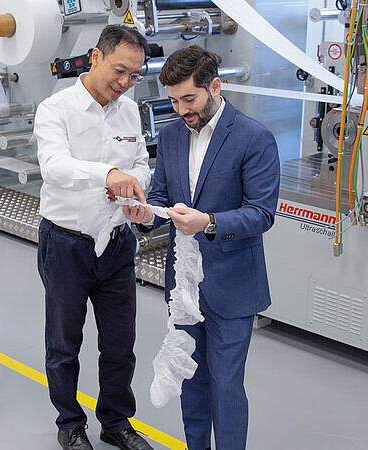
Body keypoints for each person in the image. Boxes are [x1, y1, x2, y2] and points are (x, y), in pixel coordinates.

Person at [124, 45, 280, 450]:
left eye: (189, 99)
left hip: (232, 286)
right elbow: (162, 194)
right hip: (185, 288)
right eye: (173, 101)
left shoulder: (253, 137)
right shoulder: (172, 134)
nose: (181, 110)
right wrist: (146, 216)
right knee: (190, 379)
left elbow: (261, 214)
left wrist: (208, 222)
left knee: (226, 387)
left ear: (215, 85)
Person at [34, 25, 154, 450]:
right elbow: (54, 165)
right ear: (94, 57)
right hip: (66, 244)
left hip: (118, 243)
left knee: (121, 342)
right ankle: (69, 422)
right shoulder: (56, 109)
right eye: (120, 71)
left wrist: (135, 191)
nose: (125, 83)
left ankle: (116, 422)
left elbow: (140, 162)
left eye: (134, 75)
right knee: (65, 343)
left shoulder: (129, 110)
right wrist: (107, 174)